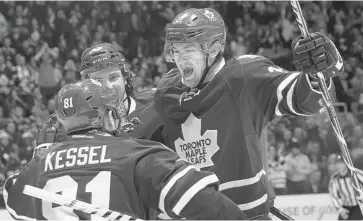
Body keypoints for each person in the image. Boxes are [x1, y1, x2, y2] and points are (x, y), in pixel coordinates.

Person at [154, 8, 344, 219]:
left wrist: (318, 74)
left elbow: (303, 98)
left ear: (214, 49)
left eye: (188, 50)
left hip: (246, 214)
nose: (180, 60)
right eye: (176, 51)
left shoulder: (243, 78)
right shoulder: (167, 92)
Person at [3, 79, 248, 220]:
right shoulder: (138, 155)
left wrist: (42, 156)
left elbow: (11, 193)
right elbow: (216, 209)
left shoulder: (35, 169)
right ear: (108, 116)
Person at [36, 43, 164, 145]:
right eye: (98, 81)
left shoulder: (156, 103)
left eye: (113, 78)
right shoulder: (73, 122)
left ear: (125, 77)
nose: (108, 86)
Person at [329, 155, 363, 220]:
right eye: (337, 164)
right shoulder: (334, 179)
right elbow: (333, 196)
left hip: (360, 205)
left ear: (346, 164)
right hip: (346, 207)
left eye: (341, 163)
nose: (339, 166)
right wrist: (340, 209)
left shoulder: (356, 173)